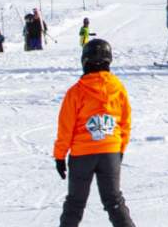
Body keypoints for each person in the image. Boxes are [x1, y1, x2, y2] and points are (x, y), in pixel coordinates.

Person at [54, 38, 135, 227]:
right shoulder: (118, 89)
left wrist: (59, 156)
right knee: (114, 201)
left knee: (75, 203)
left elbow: (66, 127)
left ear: (85, 61)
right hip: (110, 151)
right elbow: (125, 123)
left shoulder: (76, 92)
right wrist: (120, 149)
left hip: (82, 154)